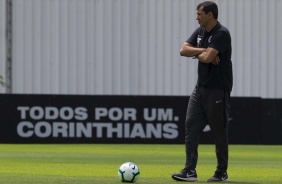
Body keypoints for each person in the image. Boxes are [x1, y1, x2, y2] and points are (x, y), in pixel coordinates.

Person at [172, 1, 233, 182]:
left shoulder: (222, 33)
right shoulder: (200, 32)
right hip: (200, 88)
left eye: (199, 14)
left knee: (219, 131)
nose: (196, 17)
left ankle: (221, 172)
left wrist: (203, 54)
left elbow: (207, 59)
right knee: (190, 126)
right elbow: (183, 50)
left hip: (217, 89)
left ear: (210, 15)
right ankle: (190, 171)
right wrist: (204, 50)